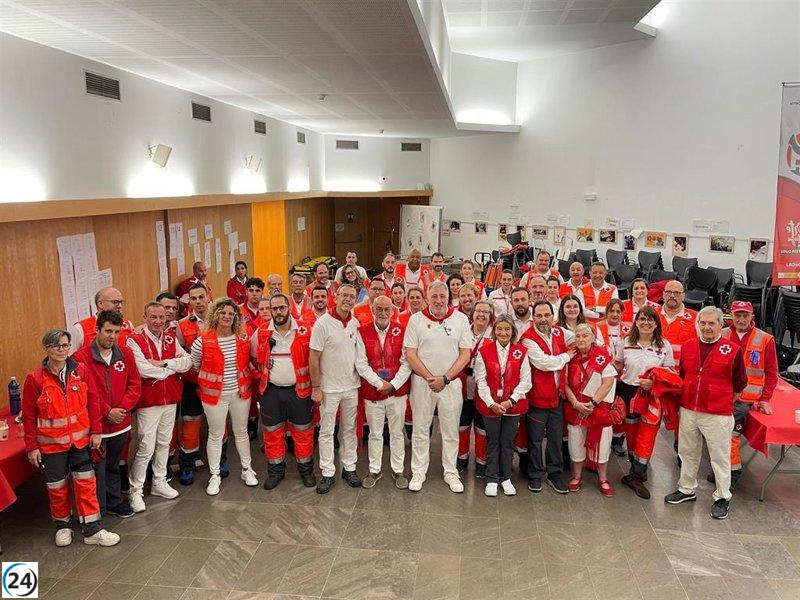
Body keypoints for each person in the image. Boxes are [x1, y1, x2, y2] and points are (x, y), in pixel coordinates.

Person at [23, 329, 120, 547]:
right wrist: (31, 447)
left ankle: (92, 529)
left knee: (86, 484)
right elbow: (28, 416)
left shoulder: (81, 371)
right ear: (46, 348)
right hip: (51, 446)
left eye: (65, 345)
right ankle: (62, 526)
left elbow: (93, 403)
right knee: (57, 488)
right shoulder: (35, 379)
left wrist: (96, 432)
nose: (61, 350)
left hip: (81, 442)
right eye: (56, 346)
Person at [666, 307, 747, 520]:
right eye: (703, 323)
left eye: (711, 323)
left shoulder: (732, 350)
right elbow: (683, 375)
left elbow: (740, 383)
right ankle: (686, 489)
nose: (707, 327)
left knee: (719, 456)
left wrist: (723, 399)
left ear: (721, 325)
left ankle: (722, 497)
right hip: (689, 408)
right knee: (687, 451)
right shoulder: (688, 347)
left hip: (717, 412)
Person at [404, 281, 472, 493]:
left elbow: (465, 354)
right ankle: (418, 471)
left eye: (442, 296)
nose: (439, 301)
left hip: (450, 384)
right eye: (434, 297)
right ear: (427, 298)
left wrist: (445, 378)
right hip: (422, 383)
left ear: (449, 297)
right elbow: (410, 353)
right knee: (421, 429)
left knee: (450, 430)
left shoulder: (460, 319)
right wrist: (430, 377)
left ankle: (450, 471)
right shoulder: (416, 320)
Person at [73, 310, 141, 517]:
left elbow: (135, 385)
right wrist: (107, 412)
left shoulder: (126, 354)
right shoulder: (80, 357)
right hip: (97, 428)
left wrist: (122, 409)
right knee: (96, 469)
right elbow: (82, 392)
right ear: (96, 330)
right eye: (108, 331)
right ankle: (97, 508)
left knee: (113, 465)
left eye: (116, 332)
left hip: (121, 423)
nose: (112, 336)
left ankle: (114, 501)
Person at [126, 302, 192, 512]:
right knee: (146, 446)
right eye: (153, 317)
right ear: (144, 317)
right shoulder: (134, 339)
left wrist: (164, 364)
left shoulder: (171, 338)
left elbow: (188, 362)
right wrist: (171, 367)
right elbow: (142, 369)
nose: (158, 321)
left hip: (170, 399)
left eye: (162, 317)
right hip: (149, 402)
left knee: (165, 442)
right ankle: (135, 491)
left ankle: (159, 482)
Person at [190, 298, 259, 495]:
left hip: (240, 393)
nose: (227, 316)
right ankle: (215, 475)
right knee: (215, 434)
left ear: (236, 317)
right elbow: (196, 365)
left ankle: (247, 470)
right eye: (223, 313)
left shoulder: (243, 337)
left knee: (241, 431)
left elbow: (248, 363)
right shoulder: (202, 340)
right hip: (214, 397)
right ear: (215, 315)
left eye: (231, 313)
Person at [709, 301, 778, 488]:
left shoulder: (765, 339)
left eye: (745, 316)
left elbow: (772, 372)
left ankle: (732, 473)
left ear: (751, 317)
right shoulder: (720, 334)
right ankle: (720, 469)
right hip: (720, 395)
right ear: (730, 315)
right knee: (715, 433)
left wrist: (765, 399)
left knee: (729, 434)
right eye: (737, 315)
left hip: (745, 399)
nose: (741, 319)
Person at [252, 293, 316, 490]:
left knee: (303, 432)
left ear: (289, 308)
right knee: (271, 433)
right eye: (274, 309)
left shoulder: (306, 330)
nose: (278, 312)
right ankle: (275, 471)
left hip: (300, 391)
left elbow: (316, 359)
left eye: (282, 308)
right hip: (271, 392)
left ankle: (306, 471)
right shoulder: (261, 332)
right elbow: (253, 357)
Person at [614, 305, 675, 499]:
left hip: (652, 395)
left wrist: (654, 382)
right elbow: (617, 366)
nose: (646, 323)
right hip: (628, 392)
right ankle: (637, 470)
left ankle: (637, 475)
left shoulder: (664, 345)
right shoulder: (625, 342)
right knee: (631, 434)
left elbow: (670, 374)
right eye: (641, 319)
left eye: (650, 319)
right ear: (636, 322)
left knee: (647, 434)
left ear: (657, 323)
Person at [355, 295, 412, 489]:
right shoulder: (361, 332)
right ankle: (375, 469)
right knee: (375, 433)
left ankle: (398, 470)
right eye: (379, 309)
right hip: (373, 392)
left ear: (393, 311)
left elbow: (407, 362)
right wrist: (379, 384)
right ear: (372, 309)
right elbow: (360, 364)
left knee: (396, 432)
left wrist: (393, 384)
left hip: (397, 392)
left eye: (387, 309)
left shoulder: (403, 331)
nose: (383, 313)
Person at [309, 284, 363, 493]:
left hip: (351, 386)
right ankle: (327, 472)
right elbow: (314, 357)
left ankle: (349, 467)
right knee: (326, 430)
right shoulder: (323, 323)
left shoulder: (355, 323)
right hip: (328, 388)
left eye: (352, 296)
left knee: (349, 429)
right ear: (336, 297)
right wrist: (316, 386)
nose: (348, 299)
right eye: (344, 295)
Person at [519, 300, 575, 494]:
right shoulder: (528, 338)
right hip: (538, 398)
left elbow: (581, 336)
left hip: (557, 397)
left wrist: (590, 340)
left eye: (547, 315)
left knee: (555, 438)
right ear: (533, 317)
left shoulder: (559, 332)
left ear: (553, 317)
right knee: (534, 439)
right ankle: (535, 475)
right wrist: (568, 356)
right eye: (539, 315)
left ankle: (555, 475)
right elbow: (544, 363)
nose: (543, 319)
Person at [474, 315, 532, 497]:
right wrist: (491, 403)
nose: (503, 333)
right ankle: (492, 478)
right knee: (492, 442)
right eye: (499, 329)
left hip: (512, 406)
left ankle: (505, 477)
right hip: (490, 406)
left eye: (507, 329)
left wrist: (510, 401)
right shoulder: (484, 351)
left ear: (513, 331)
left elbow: (526, 381)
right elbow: (480, 380)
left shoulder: (521, 351)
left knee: (507, 443)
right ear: (494, 331)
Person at [564, 324, 618, 496]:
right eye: (578, 336)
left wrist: (593, 404)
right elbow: (563, 382)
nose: (580, 339)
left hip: (599, 408)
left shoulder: (603, 356)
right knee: (575, 441)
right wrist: (575, 403)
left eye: (585, 336)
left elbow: (608, 382)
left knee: (602, 443)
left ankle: (603, 478)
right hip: (576, 408)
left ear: (593, 338)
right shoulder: (569, 356)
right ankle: (577, 476)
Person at [176, 283, 210, 485]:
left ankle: (221, 461)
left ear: (208, 297)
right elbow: (180, 354)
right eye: (193, 298)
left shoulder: (220, 319)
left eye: (201, 297)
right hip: (192, 383)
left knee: (218, 425)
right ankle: (187, 465)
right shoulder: (182, 325)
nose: (198, 302)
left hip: (216, 383)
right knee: (190, 423)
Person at [457, 300, 494, 477]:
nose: (481, 315)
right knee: (462, 425)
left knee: (482, 427)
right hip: (462, 385)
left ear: (490, 316)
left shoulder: (495, 335)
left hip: (483, 388)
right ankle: (461, 458)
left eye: (486, 312)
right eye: (478, 311)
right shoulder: (462, 331)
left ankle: (481, 461)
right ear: (472, 314)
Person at [596, 298, 630, 457]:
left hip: (625, 374)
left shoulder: (629, 328)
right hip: (606, 374)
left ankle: (618, 440)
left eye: (618, 311)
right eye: (612, 311)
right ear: (606, 312)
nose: (615, 314)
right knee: (606, 406)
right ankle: (602, 438)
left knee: (622, 407)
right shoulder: (597, 327)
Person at [69, 287, 134, 353]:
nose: (120, 306)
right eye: (115, 302)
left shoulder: (128, 324)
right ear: (100, 304)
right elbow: (70, 358)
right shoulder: (79, 328)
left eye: (121, 302)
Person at [658, 281, 698, 368]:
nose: (672, 295)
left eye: (676, 293)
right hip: (654, 373)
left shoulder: (696, 317)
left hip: (682, 373)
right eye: (668, 292)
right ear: (663, 294)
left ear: (683, 296)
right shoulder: (652, 315)